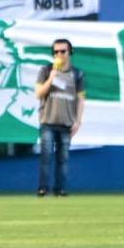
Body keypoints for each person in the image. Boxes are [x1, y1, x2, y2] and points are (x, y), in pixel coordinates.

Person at [32, 38, 86, 198]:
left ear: (70, 53)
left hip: (66, 122)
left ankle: (60, 188)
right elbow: (39, 93)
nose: (59, 55)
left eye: (63, 51)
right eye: (56, 52)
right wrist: (51, 78)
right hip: (48, 120)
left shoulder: (77, 74)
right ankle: (43, 188)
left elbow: (81, 99)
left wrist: (78, 121)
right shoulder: (46, 70)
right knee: (46, 156)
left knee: (63, 158)